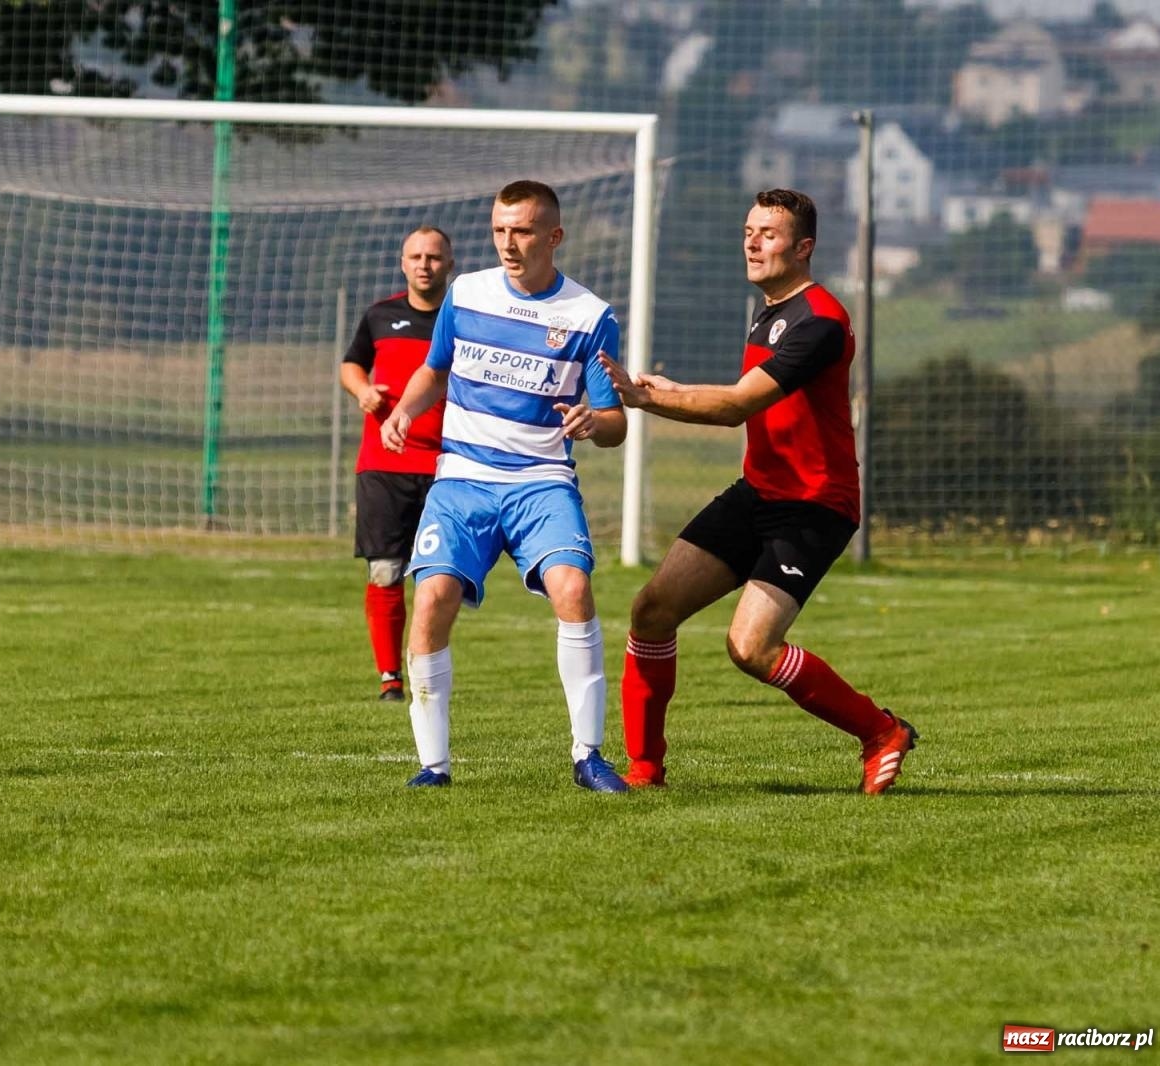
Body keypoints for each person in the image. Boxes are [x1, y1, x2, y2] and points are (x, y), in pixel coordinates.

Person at [597, 187, 918, 795]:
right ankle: (644, 770)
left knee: (750, 647)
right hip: (760, 492)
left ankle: (882, 732)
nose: (752, 241)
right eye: (748, 230)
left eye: (768, 234)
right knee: (651, 610)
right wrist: (672, 387)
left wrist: (647, 397)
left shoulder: (819, 321)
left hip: (814, 505)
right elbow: (742, 392)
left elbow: (737, 406)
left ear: (804, 248)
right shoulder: (772, 309)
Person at [381, 179, 629, 792]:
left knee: (573, 587)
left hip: (541, 482)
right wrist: (404, 411)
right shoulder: (464, 294)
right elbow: (435, 369)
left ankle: (588, 756)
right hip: (463, 477)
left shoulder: (590, 316)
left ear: (554, 236)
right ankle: (433, 766)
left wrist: (595, 422)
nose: (508, 244)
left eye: (520, 231)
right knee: (433, 597)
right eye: (498, 230)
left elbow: (616, 421)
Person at [340, 226, 455, 702]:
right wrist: (364, 391)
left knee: (440, 577)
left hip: (450, 466)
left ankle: (429, 669)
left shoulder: (465, 318)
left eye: (433, 257)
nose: (424, 264)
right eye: (415, 256)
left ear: (450, 264)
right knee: (385, 569)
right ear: (402, 262)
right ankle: (390, 679)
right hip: (384, 466)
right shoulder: (379, 315)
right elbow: (351, 365)